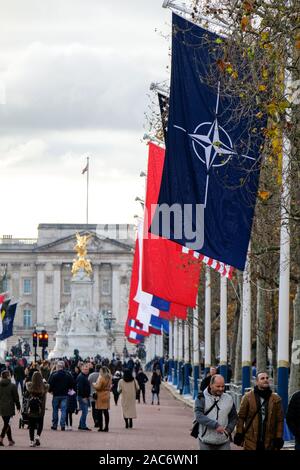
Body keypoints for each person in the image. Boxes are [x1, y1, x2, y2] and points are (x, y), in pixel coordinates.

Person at [234, 371, 284, 451]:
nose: (266, 380)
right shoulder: (248, 397)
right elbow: (241, 417)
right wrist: (239, 433)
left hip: (270, 442)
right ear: (257, 382)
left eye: (267, 378)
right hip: (251, 441)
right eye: (262, 378)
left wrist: (279, 437)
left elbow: (280, 420)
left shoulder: (276, 399)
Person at [194, 374, 237, 450]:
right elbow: (198, 416)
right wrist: (215, 425)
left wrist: (229, 429)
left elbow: (234, 417)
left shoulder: (229, 398)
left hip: (224, 441)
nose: (221, 389)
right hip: (206, 441)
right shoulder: (201, 398)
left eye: (223, 386)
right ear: (211, 385)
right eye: (218, 386)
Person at [48, 360, 74, 431]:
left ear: (58, 367)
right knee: (63, 410)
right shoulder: (68, 374)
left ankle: (55, 425)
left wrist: (50, 391)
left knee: (55, 410)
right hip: (65, 394)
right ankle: (62, 425)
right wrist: (69, 389)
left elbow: (49, 384)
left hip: (56, 394)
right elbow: (72, 384)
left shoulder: (53, 374)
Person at [26, 371, 48, 447]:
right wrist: (44, 381)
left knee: (31, 426)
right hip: (40, 409)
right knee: (40, 424)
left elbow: (27, 384)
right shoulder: (44, 387)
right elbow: (48, 385)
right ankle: (37, 436)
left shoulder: (30, 385)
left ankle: (31, 441)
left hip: (31, 409)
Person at [0, 370, 20, 447]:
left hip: (1, 407)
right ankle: (1, 438)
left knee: (7, 423)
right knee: (7, 424)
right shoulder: (12, 385)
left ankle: (10, 440)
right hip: (9, 407)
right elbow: (16, 398)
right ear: (8, 376)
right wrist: (18, 406)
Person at [93, 366, 112, 432]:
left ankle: (101, 427)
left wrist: (94, 384)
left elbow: (98, 387)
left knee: (99, 412)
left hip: (101, 395)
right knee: (106, 412)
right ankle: (106, 427)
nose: (99, 372)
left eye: (100, 371)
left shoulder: (101, 378)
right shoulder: (109, 377)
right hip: (107, 394)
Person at [76, 363, 91, 430]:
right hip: (82, 397)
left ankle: (81, 425)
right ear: (82, 369)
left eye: (87, 369)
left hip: (84, 396)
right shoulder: (81, 377)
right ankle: (83, 426)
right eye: (85, 369)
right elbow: (80, 388)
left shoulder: (84, 376)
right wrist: (83, 397)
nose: (86, 370)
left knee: (84, 411)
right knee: (85, 411)